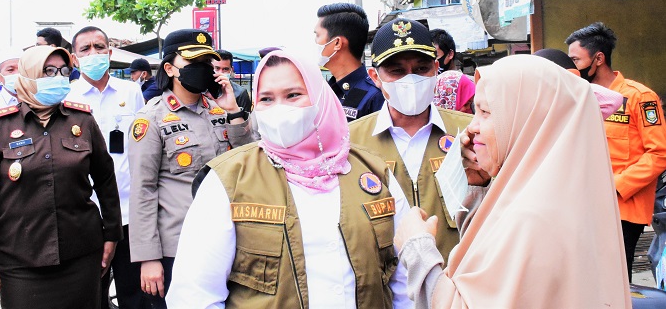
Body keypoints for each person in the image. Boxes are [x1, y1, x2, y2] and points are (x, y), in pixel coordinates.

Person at [167, 49, 412, 308]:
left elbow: (405, 283)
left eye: (293, 95)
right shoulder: (229, 179)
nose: (280, 108)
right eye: (267, 99)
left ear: (320, 98)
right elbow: (195, 295)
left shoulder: (372, 172)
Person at [394, 55, 631, 308]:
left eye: (485, 112)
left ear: (529, 121)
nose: (472, 127)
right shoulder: (553, 194)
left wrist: (416, 248)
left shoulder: (531, 217)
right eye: (475, 111)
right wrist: (479, 188)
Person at [0, 45, 122, 309]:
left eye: (63, 71)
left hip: (82, 254)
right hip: (19, 258)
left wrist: (111, 235)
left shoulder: (82, 121)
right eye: (48, 71)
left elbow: (106, 180)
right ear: (29, 76)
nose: (58, 77)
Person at [128, 29, 256, 308]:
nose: (202, 71)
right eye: (193, 64)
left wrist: (233, 111)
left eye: (206, 65)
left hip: (229, 239)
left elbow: (249, 161)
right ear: (170, 68)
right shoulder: (151, 119)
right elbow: (143, 191)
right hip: (179, 246)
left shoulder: (222, 109)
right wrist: (148, 257)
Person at [348, 19, 473, 264]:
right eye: (397, 71)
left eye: (421, 69)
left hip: (454, 283)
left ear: (436, 68)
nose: (411, 79)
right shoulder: (351, 141)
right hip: (386, 288)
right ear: (375, 76)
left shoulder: (468, 130)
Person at [567, 22, 666, 280]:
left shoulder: (639, 97)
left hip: (622, 208)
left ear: (598, 58)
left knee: (614, 281)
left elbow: (659, 154)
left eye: (576, 59)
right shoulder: (579, 96)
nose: (572, 67)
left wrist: (614, 186)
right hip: (584, 203)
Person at [66, 26, 146, 309]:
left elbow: (141, 145)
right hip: (84, 215)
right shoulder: (67, 97)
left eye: (99, 47)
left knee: (133, 293)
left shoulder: (132, 91)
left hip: (127, 213)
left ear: (110, 53)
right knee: (90, 294)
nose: (93, 54)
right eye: (85, 49)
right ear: (74, 58)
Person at [314, 2, 384, 121]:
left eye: (317, 35)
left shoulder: (374, 96)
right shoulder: (325, 92)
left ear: (337, 43)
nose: (315, 42)